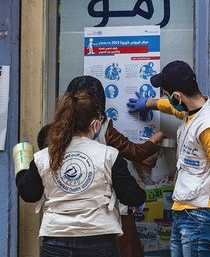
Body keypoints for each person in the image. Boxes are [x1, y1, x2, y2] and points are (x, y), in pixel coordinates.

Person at [14, 89, 146, 257]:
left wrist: (22, 168)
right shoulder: (108, 155)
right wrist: (140, 198)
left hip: (55, 241)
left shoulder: (43, 157)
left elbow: (29, 194)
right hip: (99, 241)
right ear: (96, 124)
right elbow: (133, 197)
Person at [127, 60, 210, 257]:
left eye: (166, 94)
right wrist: (148, 103)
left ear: (177, 95)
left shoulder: (209, 126)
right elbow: (173, 108)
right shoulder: (193, 112)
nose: (166, 99)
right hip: (186, 211)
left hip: (201, 214)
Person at [65, 75, 164, 257]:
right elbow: (135, 152)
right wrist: (153, 140)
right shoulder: (102, 126)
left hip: (69, 211)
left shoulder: (57, 129)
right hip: (105, 207)